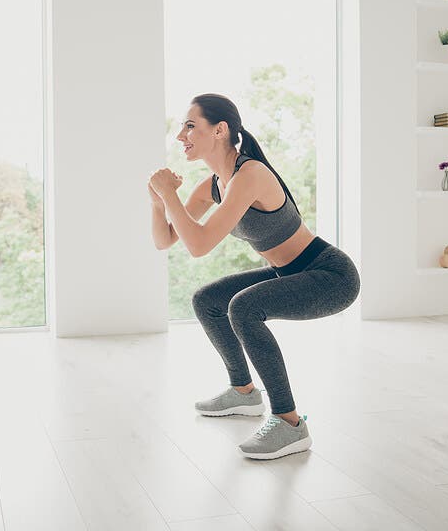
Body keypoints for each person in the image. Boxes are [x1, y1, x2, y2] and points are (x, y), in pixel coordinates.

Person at [148, 93, 360, 460]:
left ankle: (290, 423)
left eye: (190, 125)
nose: (181, 135)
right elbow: (165, 240)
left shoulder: (251, 174)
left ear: (220, 130)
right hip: (285, 271)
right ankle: (244, 392)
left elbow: (198, 245)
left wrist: (169, 194)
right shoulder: (213, 184)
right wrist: (158, 202)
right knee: (207, 301)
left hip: (330, 275)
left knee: (243, 307)